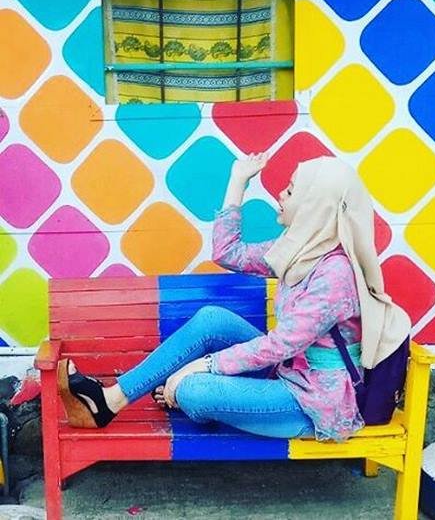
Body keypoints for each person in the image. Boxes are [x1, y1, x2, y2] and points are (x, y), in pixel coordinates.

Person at [58, 154, 411, 441]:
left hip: (312, 400)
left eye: (291, 191)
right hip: (287, 371)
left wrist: (201, 366)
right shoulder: (298, 251)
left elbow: (280, 345)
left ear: (313, 207)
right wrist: (237, 182)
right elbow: (228, 253)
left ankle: (194, 397)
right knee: (212, 319)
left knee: (193, 389)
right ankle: (108, 401)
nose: (281, 195)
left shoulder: (335, 275)